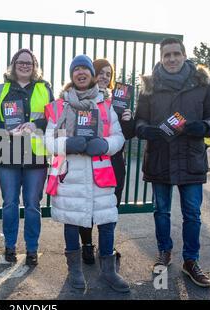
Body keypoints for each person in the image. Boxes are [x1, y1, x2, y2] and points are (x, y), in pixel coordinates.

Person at [135, 38, 210, 288]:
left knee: (192, 214)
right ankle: (164, 252)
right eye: (167, 55)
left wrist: (205, 126)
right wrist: (145, 130)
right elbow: (140, 120)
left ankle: (191, 261)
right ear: (160, 58)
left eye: (176, 54)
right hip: (160, 157)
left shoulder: (203, 82)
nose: (171, 59)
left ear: (185, 56)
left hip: (191, 157)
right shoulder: (149, 85)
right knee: (161, 211)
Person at [44, 55, 129, 292]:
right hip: (70, 174)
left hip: (100, 174)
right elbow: (48, 140)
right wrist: (67, 145)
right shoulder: (59, 106)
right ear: (71, 75)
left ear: (92, 74)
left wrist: (105, 145)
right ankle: (75, 270)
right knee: (72, 223)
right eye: (76, 69)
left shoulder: (106, 104)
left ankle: (109, 272)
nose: (81, 73)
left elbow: (119, 137)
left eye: (85, 69)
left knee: (107, 222)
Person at [0, 49, 54, 266]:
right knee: (10, 203)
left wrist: (37, 124)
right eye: (20, 62)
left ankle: (32, 248)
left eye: (29, 63)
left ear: (35, 67)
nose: (25, 66)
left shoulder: (45, 88)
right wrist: (6, 130)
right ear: (13, 65)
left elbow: (54, 117)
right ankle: (10, 247)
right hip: (8, 153)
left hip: (36, 156)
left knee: (33, 204)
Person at [78, 59, 135, 265]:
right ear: (92, 74)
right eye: (100, 72)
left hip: (114, 161)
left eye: (108, 74)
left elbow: (126, 135)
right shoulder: (83, 97)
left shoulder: (118, 102)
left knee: (110, 205)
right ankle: (86, 245)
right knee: (88, 204)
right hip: (90, 160)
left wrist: (128, 120)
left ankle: (106, 244)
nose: (104, 77)